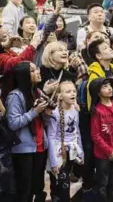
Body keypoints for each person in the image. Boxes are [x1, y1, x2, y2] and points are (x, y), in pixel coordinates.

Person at [7, 62, 50, 202]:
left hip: (40, 145)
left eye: (36, 68)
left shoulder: (37, 92)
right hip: (24, 149)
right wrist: (34, 112)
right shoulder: (15, 96)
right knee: (24, 190)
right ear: (24, 75)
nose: (37, 71)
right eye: (32, 70)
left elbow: (44, 122)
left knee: (37, 187)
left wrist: (47, 113)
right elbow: (13, 123)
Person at [89, 77, 113, 202]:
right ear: (97, 92)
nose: (110, 88)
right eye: (104, 86)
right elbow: (96, 135)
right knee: (102, 183)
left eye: (110, 85)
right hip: (102, 155)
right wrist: (109, 151)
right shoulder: (97, 110)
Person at [47, 81, 83, 202]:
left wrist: (81, 152)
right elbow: (51, 137)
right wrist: (53, 162)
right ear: (60, 96)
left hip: (71, 151)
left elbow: (77, 132)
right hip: (58, 152)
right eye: (68, 91)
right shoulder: (55, 113)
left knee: (65, 183)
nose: (72, 93)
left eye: (74, 91)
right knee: (60, 186)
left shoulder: (75, 110)